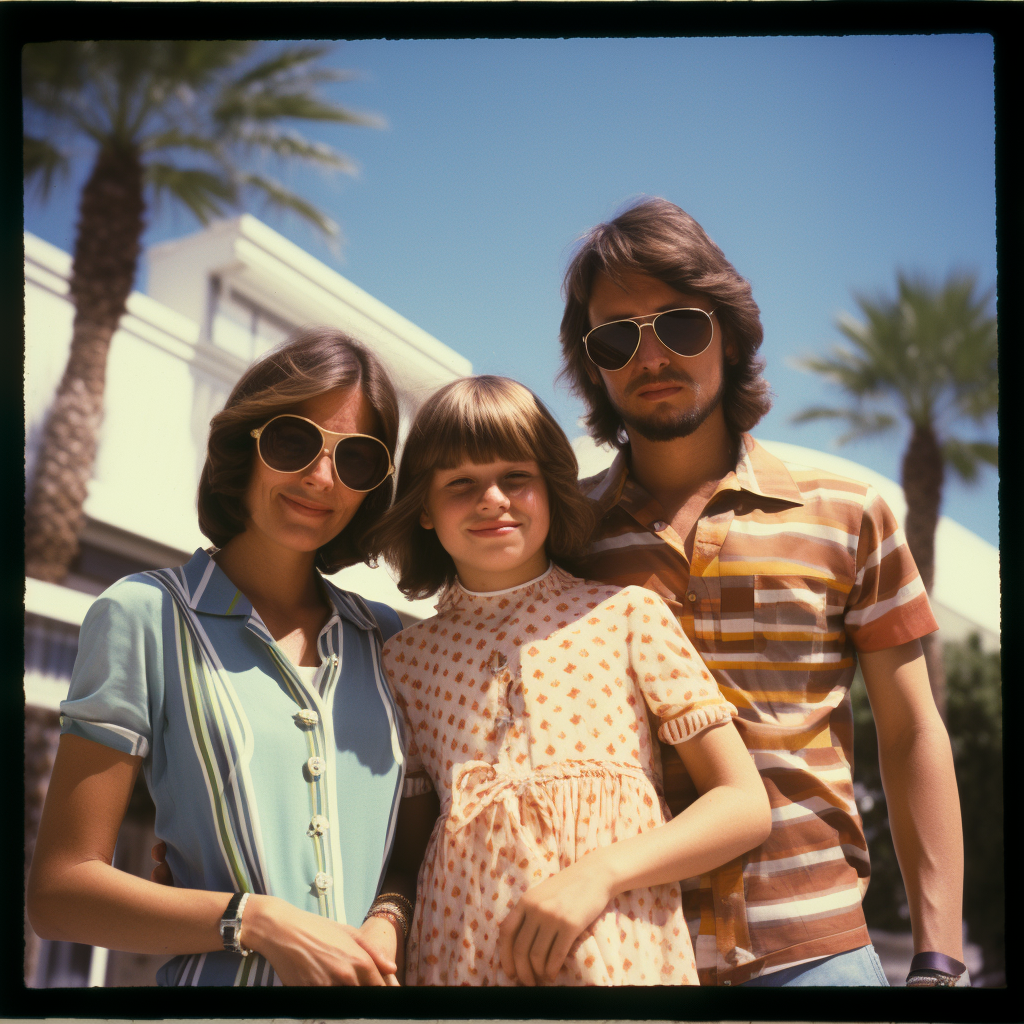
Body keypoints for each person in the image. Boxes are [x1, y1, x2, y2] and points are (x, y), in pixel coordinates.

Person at [557, 197, 968, 988]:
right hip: (624, 957)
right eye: (617, 337)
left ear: (730, 331)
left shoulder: (851, 511)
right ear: (593, 363)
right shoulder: (564, 539)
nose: (651, 357)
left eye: (679, 324)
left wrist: (940, 960)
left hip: (817, 958)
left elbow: (914, 732)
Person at [27, 328, 415, 987]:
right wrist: (253, 918)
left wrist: (392, 915)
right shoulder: (143, 615)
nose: (321, 478)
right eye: (294, 442)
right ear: (247, 444)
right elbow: (60, 891)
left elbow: (423, 845)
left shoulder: (395, 643)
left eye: (356, 460)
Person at [362, 374, 772, 986]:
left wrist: (598, 873)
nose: (491, 498)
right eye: (460, 483)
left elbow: (743, 806)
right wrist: (384, 920)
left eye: (515, 477)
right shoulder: (405, 662)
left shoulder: (625, 616)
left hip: (620, 964)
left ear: (552, 489)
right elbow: (408, 854)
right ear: (423, 508)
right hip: (460, 969)